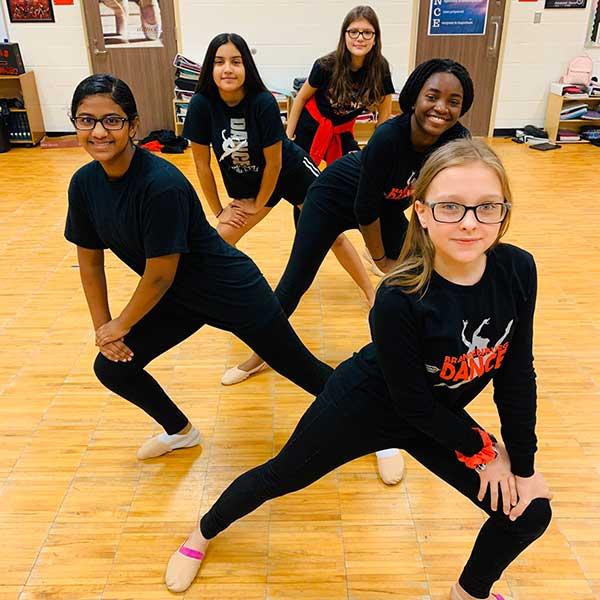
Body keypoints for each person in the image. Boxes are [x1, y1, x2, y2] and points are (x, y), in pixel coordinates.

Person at [165, 138, 553, 600]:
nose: (469, 223)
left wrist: (523, 466)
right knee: (282, 476)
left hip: (435, 419)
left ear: (503, 213)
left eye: (487, 207)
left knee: (529, 511)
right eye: (450, 206)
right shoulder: (398, 296)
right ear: (423, 212)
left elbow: (516, 374)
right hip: (364, 407)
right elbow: (408, 401)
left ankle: (467, 593)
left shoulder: (517, 270)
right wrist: (483, 449)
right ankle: (202, 533)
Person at [230, 57, 474, 483]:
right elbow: (363, 207)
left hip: (386, 207)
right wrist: (381, 260)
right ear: (414, 96)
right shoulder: (388, 136)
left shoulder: (455, 141)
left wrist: (427, 250)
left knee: (417, 286)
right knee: (294, 284)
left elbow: (439, 197)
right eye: (433, 96)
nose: (442, 107)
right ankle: (258, 355)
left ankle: (409, 370)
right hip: (334, 199)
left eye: (454, 101)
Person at [64, 74, 332, 461]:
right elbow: (89, 259)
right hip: (180, 298)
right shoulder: (84, 184)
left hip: (232, 290)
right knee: (114, 368)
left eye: (112, 120)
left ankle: (378, 426)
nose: (99, 131)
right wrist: (104, 329)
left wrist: (120, 324)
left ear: (133, 125)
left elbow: (160, 273)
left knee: (305, 372)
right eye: (86, 120)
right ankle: (180, 431)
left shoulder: (160, 184)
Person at [183, 33, 375, 329]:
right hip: (252, 184)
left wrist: (260, 202)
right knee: (218, 240)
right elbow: (201, 164)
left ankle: (371, 292)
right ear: (210, 68)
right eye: (219, 62)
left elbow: (275, 162)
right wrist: (219, 210)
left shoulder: (262, 102)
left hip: (290, 172)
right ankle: (205, 299)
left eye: (236, 61)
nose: (228, 69)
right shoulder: (200, 105)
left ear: (246, 66)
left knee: (332, 233)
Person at [287, 5, 395, 166]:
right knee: (303, 178)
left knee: (353, 172)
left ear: (375, 38)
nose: (359, 38)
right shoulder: (325, 65)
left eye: (367, 32)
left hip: (342, 130)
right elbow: (301, 98)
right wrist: (288, 137)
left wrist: (376, 146)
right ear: (344, 35)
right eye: (353, 31)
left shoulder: (381, 68)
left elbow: (385, 112)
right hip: (310, 126)